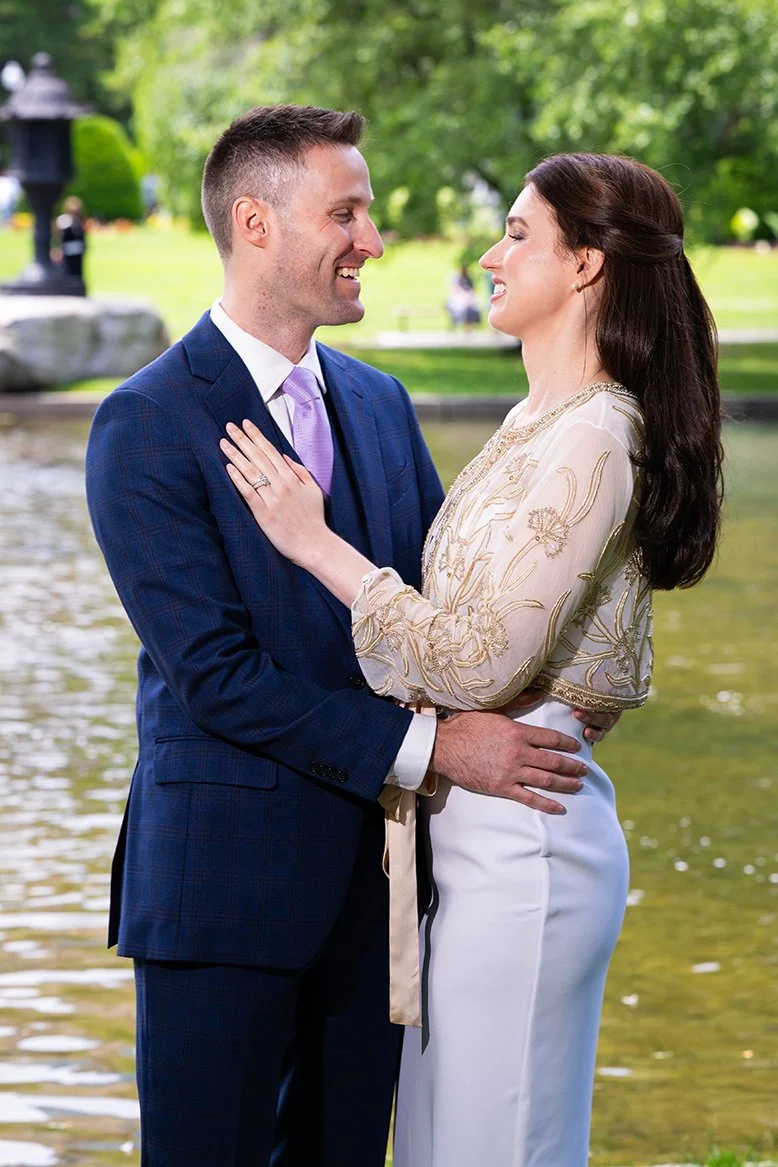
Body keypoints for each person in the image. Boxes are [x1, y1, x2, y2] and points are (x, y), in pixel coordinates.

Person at [84, 108, 616, 1167]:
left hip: (384, 906)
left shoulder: (377, 403)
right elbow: (216, 679)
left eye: (365, 212)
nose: (371, 238)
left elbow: (438, 614)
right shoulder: (146, 421)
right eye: (347, 212)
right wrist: (437, 749)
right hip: (221, 904)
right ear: (256, 224)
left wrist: (571, 670)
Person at [220, 152, 724, 1167]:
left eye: (518, 235)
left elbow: (475, 662)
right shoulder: (533, 421)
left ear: (585, 266)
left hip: (524, 834)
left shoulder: (598, 434)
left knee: (501, 1147)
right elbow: (468, 637)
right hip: (471, 834)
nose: (491, 256)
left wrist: (315, 544)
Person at [55, 196, 87, 281]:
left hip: (77, 251)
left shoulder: (79, 220)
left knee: (77, 273)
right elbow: (58, 237)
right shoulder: (63, 220)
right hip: (66, 251)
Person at [445, 263, 481, 328]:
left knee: (471, 308)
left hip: (468, 298)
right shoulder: (457, 279)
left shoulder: (468, 279)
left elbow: (473, 290)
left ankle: (469, 324)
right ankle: (464, 323)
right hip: (460, 299)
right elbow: (455, 290)